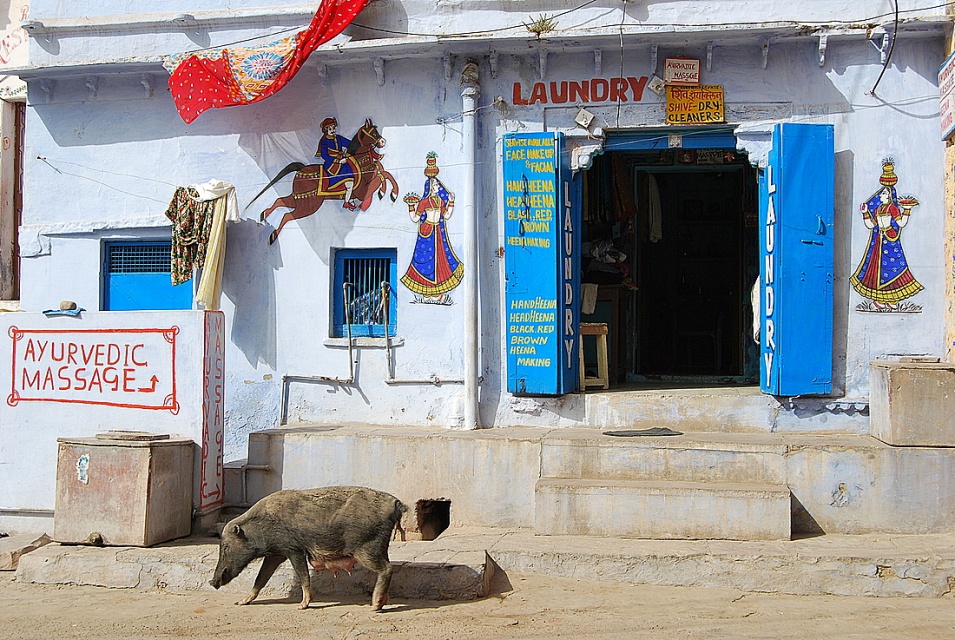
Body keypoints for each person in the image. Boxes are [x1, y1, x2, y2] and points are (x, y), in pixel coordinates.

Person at [849, 160, 922, 310]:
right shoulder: (878, 209)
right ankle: (880, 300)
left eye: (883, 193)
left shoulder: (893, 208)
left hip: (890, 242)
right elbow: (871, 225)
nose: (880, 195)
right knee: (877, 270)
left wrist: (907, 210)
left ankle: (892, 300)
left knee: (893, 269)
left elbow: (901, 223)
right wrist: (865, 213)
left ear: (889, 195)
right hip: (878, 242)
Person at [400, 152, 463, 302]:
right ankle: (427, 292)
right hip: (426, 233)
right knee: (425, 262)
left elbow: (446, 215)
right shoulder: (424, 202)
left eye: (437, 184)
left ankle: (436, 292)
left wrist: (451, 202)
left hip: (437, 232)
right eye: (435, 185)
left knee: (440, 262)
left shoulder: (440, 201)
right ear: (430, 187)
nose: (437, 186)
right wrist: (411, 206)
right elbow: (415, 218)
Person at [315, 117, 356, 208]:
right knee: (349, 183)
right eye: (330, 129)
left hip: (343, 162)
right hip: (331, 166)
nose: (332, 130)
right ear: (326, 130)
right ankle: (346, 202)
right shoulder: (324, 141)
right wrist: (337, 161)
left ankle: (349, 198)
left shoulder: (338, 138)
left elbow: (350, 144)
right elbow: (324, 155)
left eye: (333, 128)